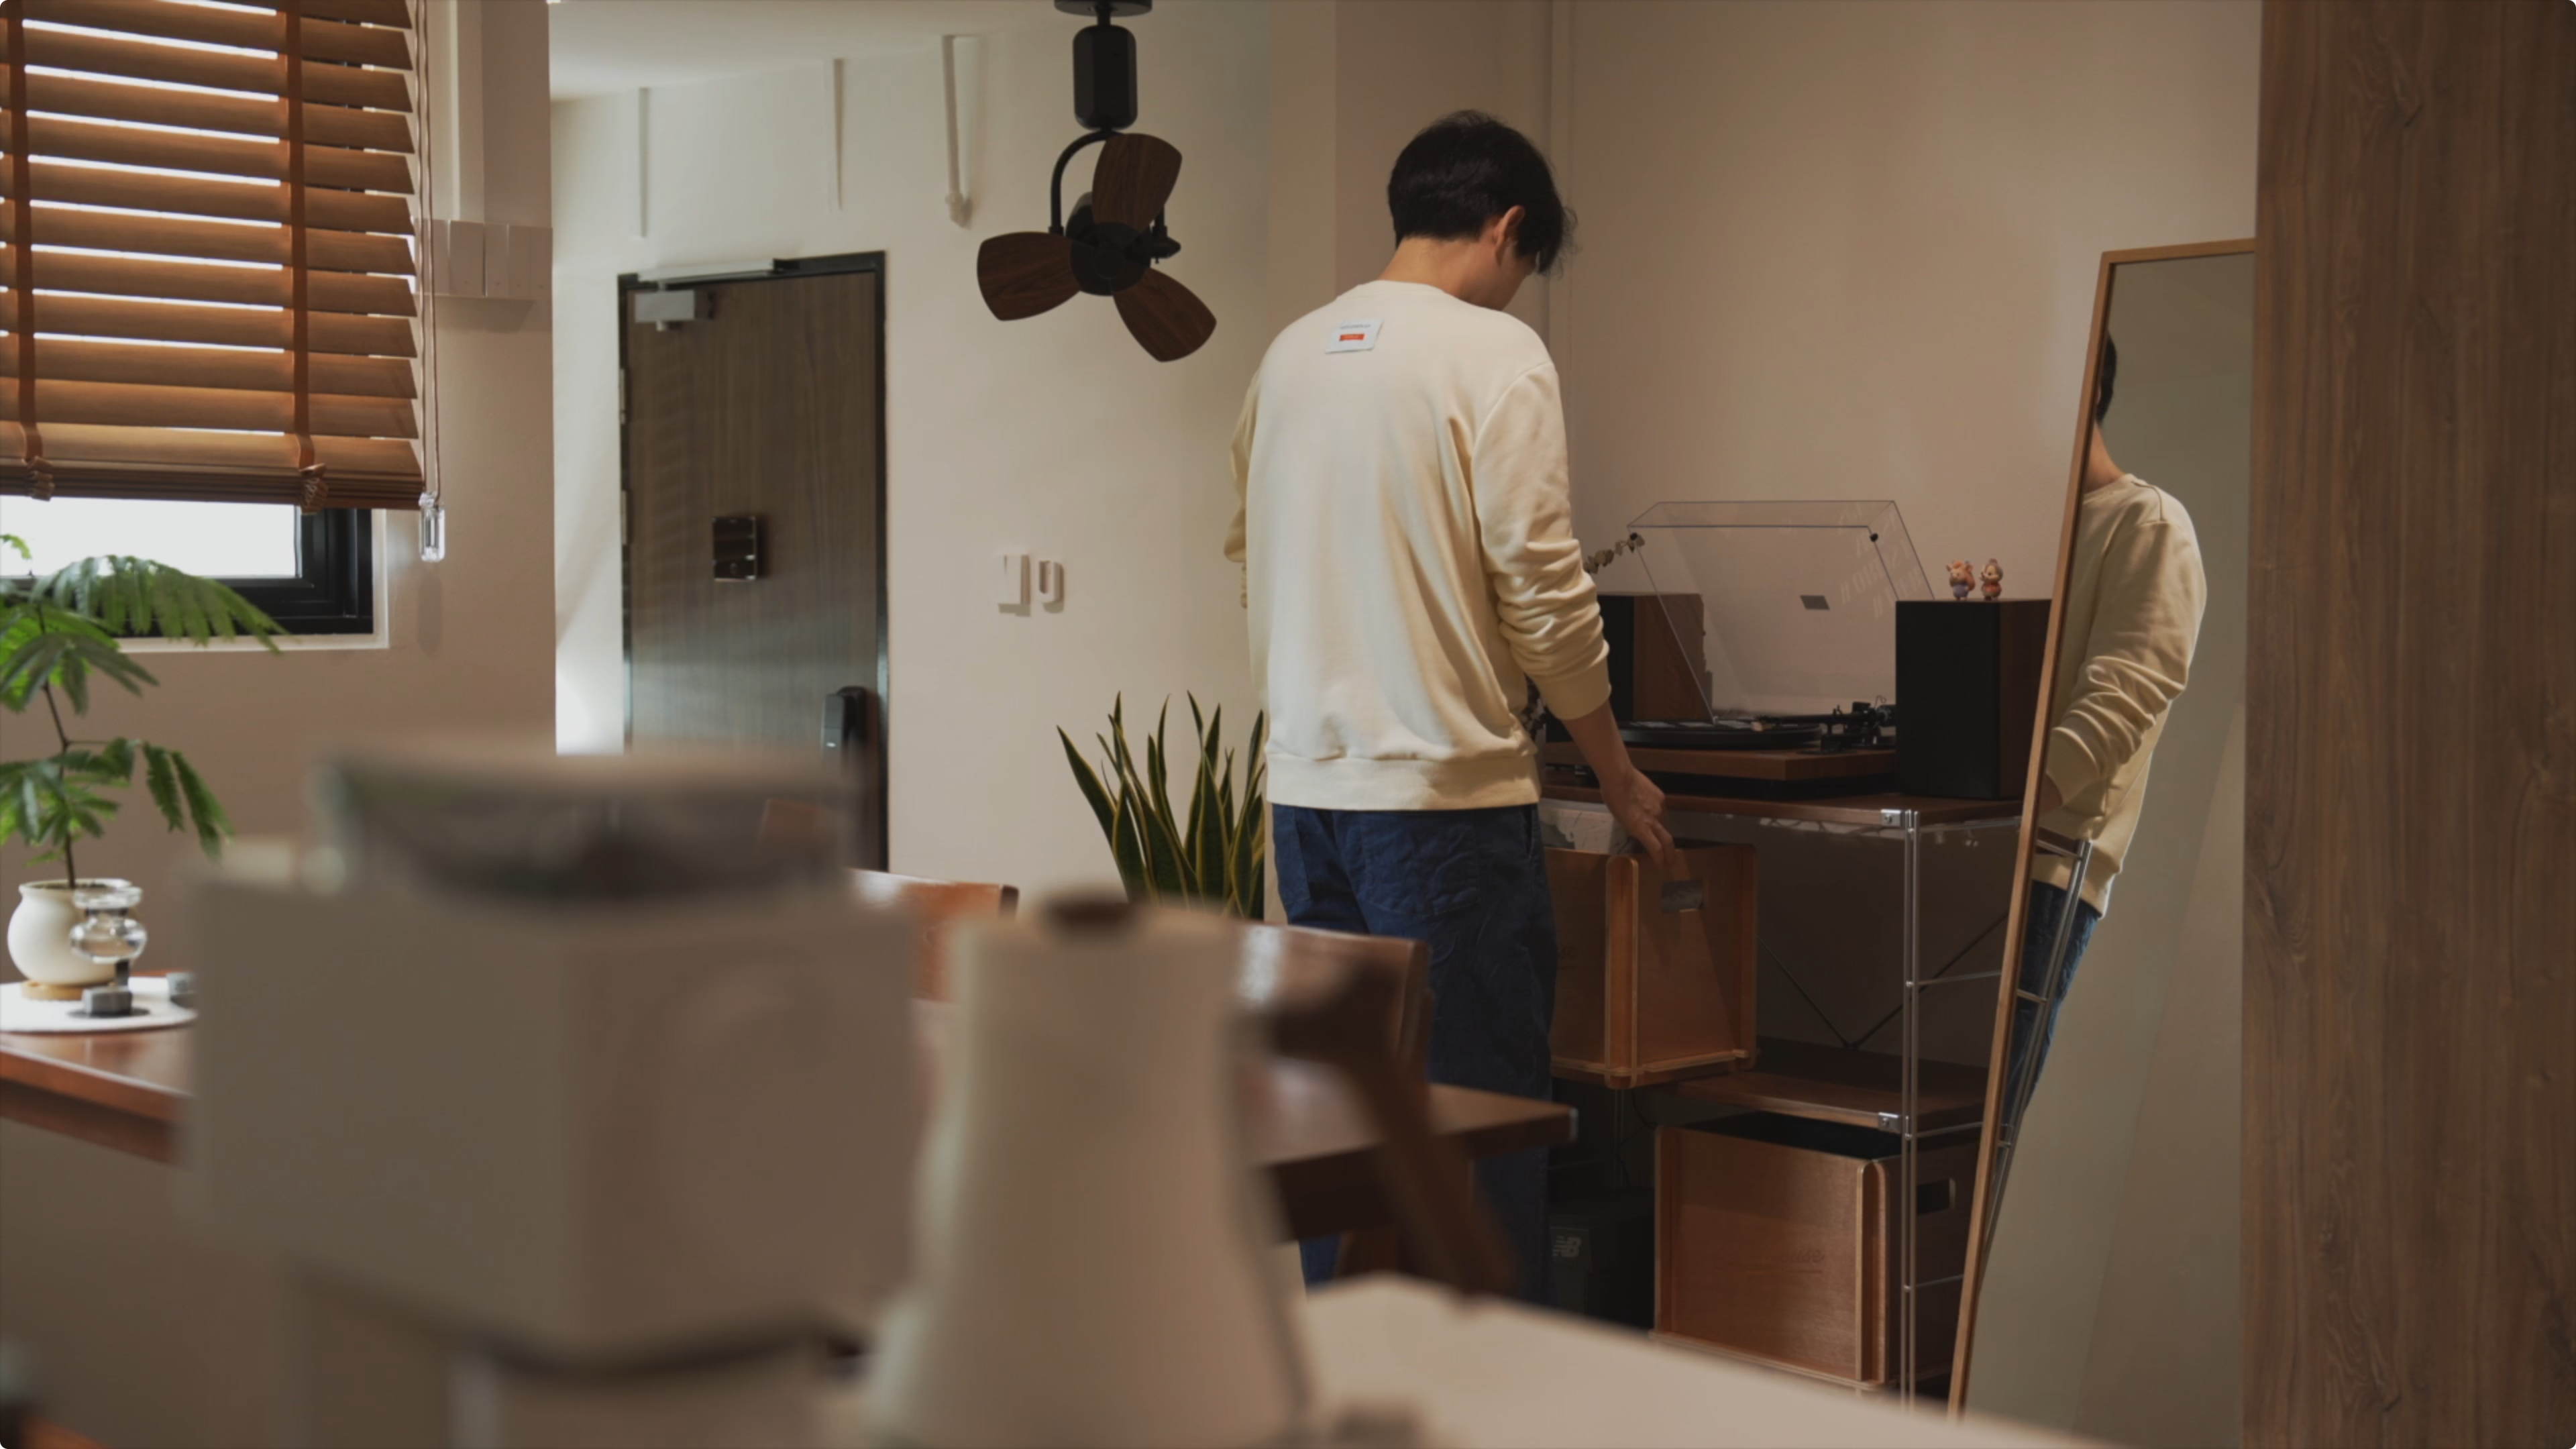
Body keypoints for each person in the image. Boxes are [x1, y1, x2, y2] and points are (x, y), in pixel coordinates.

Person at [1225, 111, 1676, 1299]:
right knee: (1477, 1128)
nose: (1516, 295)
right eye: (1525, 272)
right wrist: (1616, 771)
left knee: (1336, 1125)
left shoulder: (1290, 356)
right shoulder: (1495, 357)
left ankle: (1345, 1391)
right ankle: (1489, 1406)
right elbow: (1545, 593)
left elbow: (1246, 554)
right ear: (1508, 229)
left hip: (1305, 799)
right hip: (1438, 806)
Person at [2000, 335, 2208, 1140]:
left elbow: (2120, 703)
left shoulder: (2150, 524)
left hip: (2046, 863)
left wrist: (2009, 819)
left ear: (2088, 390)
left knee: (1985, 1141)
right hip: (1974, 855)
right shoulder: (2032, 522)